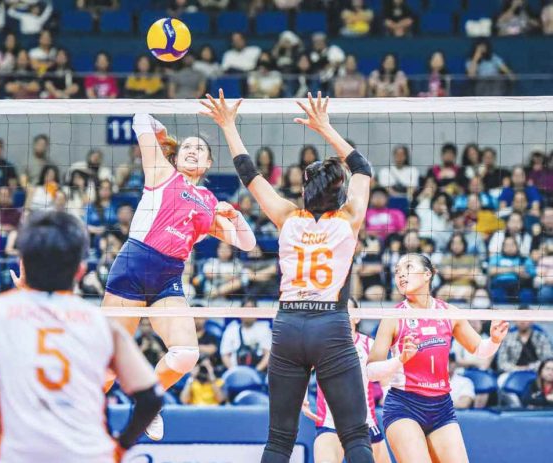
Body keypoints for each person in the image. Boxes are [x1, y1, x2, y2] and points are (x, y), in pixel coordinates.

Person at [202, 90, 375, 462]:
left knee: (279, 440)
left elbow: (249, 173)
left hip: (288, 326)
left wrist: (228, 125)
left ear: (303, 191)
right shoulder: (350, 219)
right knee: (356, 435)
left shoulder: (287, 217)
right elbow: (363, 168)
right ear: (340, 193)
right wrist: (325, 128)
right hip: (330, 325)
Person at [0, 211, 164, 462]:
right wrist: (121, 446)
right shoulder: (103, 325)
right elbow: (151, 398)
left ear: (23, 262)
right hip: (88, 454)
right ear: (80, 271)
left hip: (17, 454)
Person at [101, 112, 256, 440]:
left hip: (168, 279)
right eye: (187, 146)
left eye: (200, 149)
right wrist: (162, 133)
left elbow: (247, 242)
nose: (192, 150)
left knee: (186, 354)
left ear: (209, 164)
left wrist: (236, 216)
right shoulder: (162, 171)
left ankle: (149, 402)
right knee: (106, 365)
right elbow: (140, 118)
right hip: (132, 267)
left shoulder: (207, 202)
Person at [367, 253, 509, 463]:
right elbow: (371, 371)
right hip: (404, 406)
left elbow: (479, 349)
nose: (400, 275)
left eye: (407, 267)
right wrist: (400, 360)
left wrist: (495, 340)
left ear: (427, 274)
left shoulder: (448, 312)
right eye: (397, 271)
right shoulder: (393, 316)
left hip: (442, 407)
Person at [301, 299, 391, 463]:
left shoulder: (369, 345)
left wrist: (388, 396)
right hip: (330, 425)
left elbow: (385, 377)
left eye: (345, 310)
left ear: (357, 317)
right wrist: (302, 396)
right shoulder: (320, 345)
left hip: (366, 425)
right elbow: (301, 368)